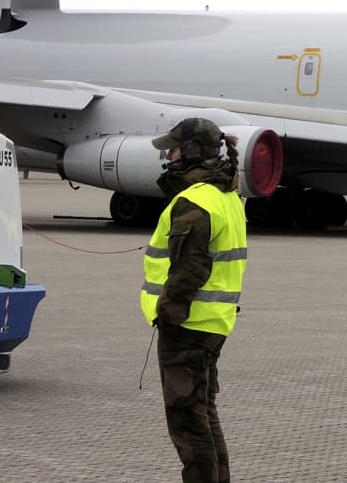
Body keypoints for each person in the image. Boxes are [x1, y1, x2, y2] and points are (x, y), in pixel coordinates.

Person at [141, 118, 248, 482]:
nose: (167, 157)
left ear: (188, 152)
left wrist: (167, 313)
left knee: (188, 422)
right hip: (212, 323)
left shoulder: (195, 201)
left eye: (170, 149)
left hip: (187, 326)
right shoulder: (226, 194)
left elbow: (190, 270)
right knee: (204, 413)